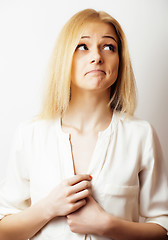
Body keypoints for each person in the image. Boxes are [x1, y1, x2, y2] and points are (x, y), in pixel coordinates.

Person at [0, 8, 168, 240]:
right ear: (64, 57)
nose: (97, 57)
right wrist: (48, 207)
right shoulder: (30, 134)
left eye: (109, 47)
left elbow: (162, 227)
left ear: (120, 61)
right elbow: (4, 231)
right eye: (83, 46)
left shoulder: (141, 135)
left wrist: (107, 225)